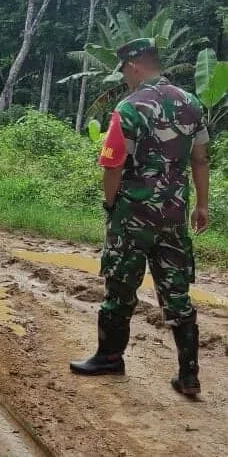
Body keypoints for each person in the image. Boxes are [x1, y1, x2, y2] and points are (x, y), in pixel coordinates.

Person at [70, 38, 210, 399]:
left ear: (134, 66)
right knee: (177, 292)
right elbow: (200, 159)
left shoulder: (128, 108)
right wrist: (202, 206)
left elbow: (112, 164)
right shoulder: (191, 104)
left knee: (120, 286)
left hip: (133, 215)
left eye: (125, 71)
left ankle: (109, 357)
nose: (125, 78)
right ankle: (189, 376)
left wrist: (111, 204)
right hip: (175, 216)